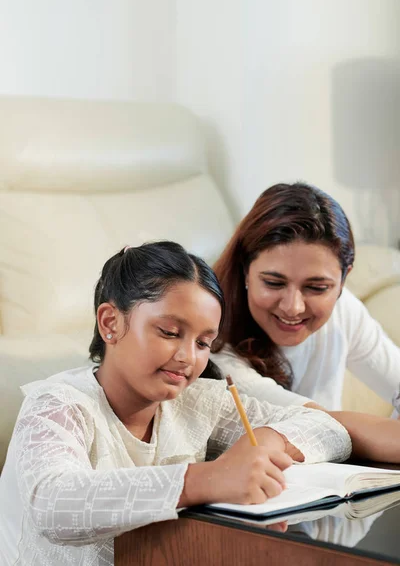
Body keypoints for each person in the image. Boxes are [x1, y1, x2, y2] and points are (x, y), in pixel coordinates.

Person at [0, 241, 352, 566]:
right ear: (110, 322)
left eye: (203, 343)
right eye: (169, 332)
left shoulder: (200, 403)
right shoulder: (57, 406)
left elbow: (329, 429)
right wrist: (209, 479)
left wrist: (263, 447)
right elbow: (52, 505)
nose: (187, 357)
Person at [211, 182, 400, 415]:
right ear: (245, 271)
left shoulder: (343, 311)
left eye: (317, 287)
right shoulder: (210, 340)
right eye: (273, 283)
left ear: (343, 280)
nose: (293, 307)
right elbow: (314, 424)